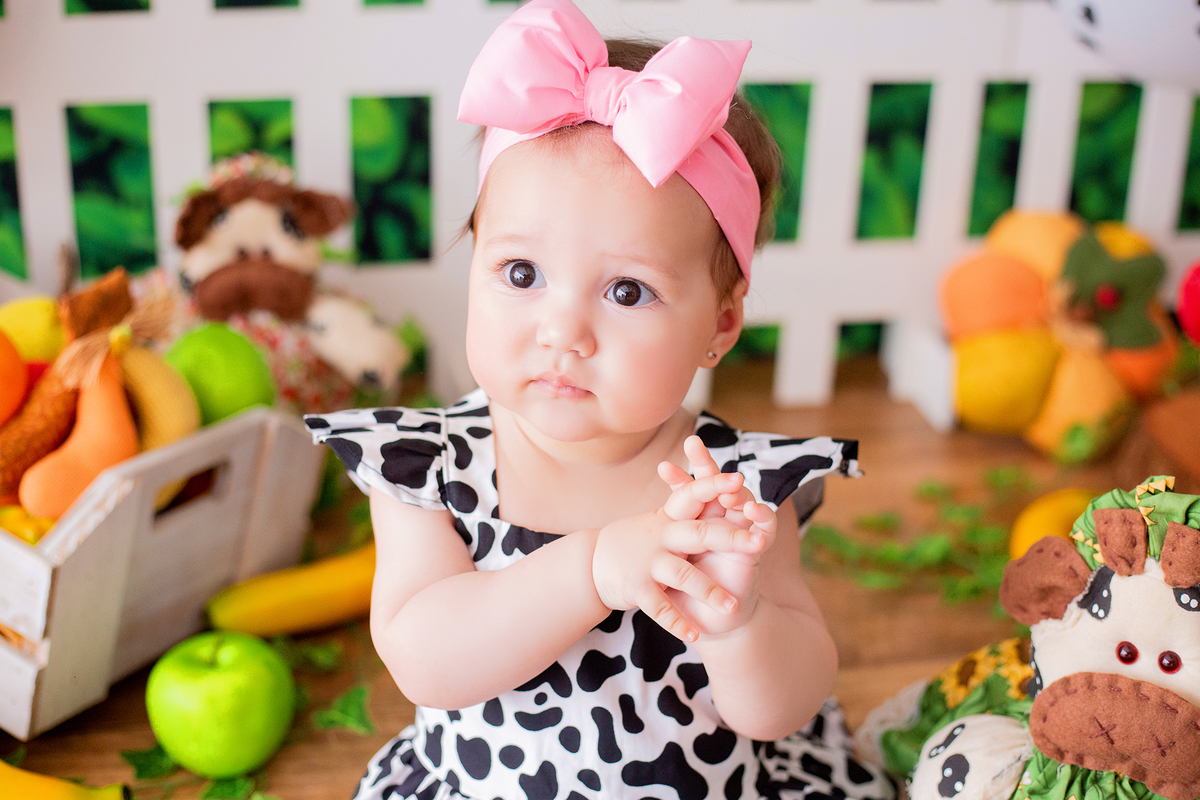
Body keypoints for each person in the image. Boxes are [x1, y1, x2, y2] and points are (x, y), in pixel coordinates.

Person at [306, 1, 895, 798]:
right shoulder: (430, 469)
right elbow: (426, 662)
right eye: (521, 275)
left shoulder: (733, 487)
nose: (563, 332)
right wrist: (593, 567)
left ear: (720, 325)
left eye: (627, 290)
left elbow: (781, 710)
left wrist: (742, 620)